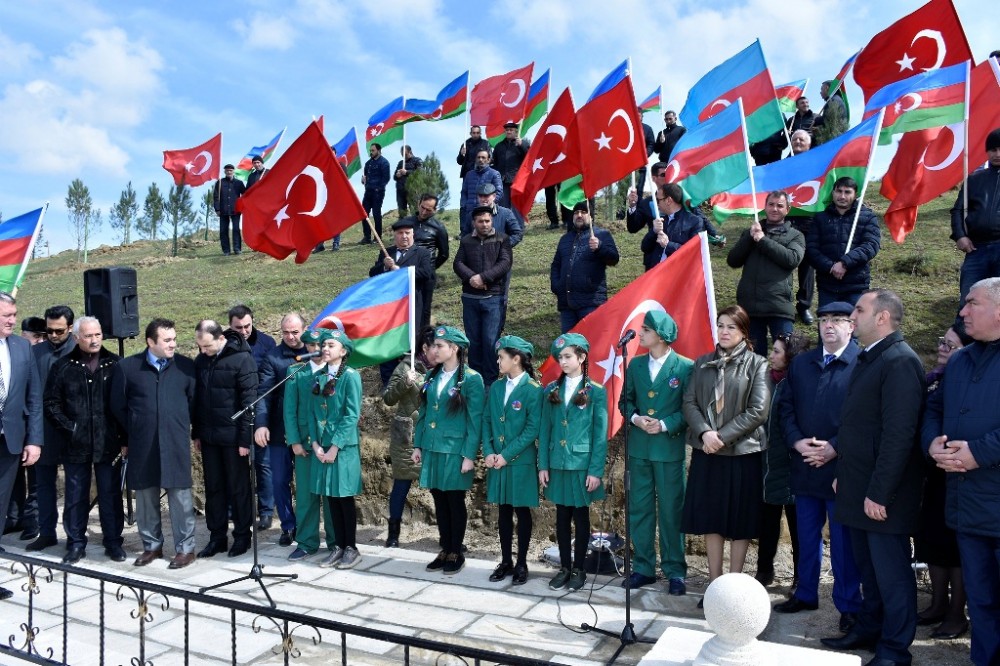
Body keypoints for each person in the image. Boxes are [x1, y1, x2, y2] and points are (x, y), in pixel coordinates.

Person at [820, 290, 925, 666]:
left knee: (892, 575)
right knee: (870, 571)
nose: (852, 316)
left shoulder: (899, 361)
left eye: (859, 310)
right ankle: (870, 629)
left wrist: (880, 493)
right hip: (857, 486)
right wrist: (844, 476)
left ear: (882, 317)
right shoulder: (872, 358)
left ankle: (895, 649)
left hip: (883, 497)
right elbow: (861, 427)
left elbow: (899, 436)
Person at [773, 302, 863, 634]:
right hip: (805, 465)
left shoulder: (862, 364)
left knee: (842, 543)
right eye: (824, 319)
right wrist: (797, 442)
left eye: (838, 320)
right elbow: (785, 408)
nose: (829, 326)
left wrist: (834, 447)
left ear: (851, 326)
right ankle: (806, 593)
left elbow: (864, 418)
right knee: (806, 537)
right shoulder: (802, 365)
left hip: (841, 469)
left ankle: (849, 605)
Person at [924, 278, 1000, 665]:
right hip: (969, 509)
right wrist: (932, 441)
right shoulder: (960, 361)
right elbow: (935, 409)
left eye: (972, 304)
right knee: (983, 602)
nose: (963, 311)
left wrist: (979, 453)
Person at [682, 305, 769, 603]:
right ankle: (714, 584)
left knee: (740, 519)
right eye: (721, 325)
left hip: (742, 453)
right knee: (712, 516)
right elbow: (689, 402)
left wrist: (722, 436)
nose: (724, 331)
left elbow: (758, 410)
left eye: (731, 326)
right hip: (708, 452)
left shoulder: (757, 364)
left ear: (744, 331)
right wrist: (706, 433)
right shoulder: (703, 362)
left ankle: (733, 586)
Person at [110, 318, 198, 570]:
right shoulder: (128, 368)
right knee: (146, 496)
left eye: (174, 339)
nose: (173, 344)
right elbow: (118, 406)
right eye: (167, 340)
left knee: (180, 497)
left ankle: (185, 549)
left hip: (175, 443)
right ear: (151, 342)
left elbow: (193, 404)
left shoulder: (186, 367)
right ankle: (152, 546)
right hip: (142, 444)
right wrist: (133, 431)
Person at [621, 311, 694, 594]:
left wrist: (664, 424)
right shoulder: (636, 365)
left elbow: (689, 408)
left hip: (668, 449)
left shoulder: (685, 367)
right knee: (639, 509)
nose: (640, 334)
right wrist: (636, 419)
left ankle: (675, 570)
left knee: (671, 511)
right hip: (639, 449)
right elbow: (624, 402)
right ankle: (643, 567)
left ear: (661, 336)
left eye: (646, 329)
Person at [43, 317, 125, 564]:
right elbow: (51, 403)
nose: (94, 340)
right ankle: (76, 543)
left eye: (98, 334)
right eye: (88, 336)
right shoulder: (63, 366)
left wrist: (122, 436)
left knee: (110, 495)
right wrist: (71, 428)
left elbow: (124, 404)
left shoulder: (116, 364)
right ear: (77, 337)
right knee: (76, 495)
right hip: (74, 445)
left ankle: (113, 542)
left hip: (108, 443)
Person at [412, 326, 485, 575]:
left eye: (439, 346)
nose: (434, 350)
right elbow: (423, 412)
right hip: (433, 447)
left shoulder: (472, 379)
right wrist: (418, 444)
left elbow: (475, 421)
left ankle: (456, 550)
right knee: (439, 500)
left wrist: (468, 455)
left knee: (455, 500)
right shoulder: (431, 376)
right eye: (433, 345)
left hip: (455, 450)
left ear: (454, 349)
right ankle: (444, 548)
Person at [539, 333, 607, 592]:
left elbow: (599, 435)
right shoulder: (551, 390)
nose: (563, 361)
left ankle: (579, 568)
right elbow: (545, 430)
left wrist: (595, 470)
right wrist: (543, 465)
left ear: (581, 357)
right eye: (560, 358)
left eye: (568, 356)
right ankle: (564, 567)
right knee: (561, 516)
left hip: (581, 465)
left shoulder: (596, 392)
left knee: (581, 517)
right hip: (558, 464)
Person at [913, 327, 967, 641]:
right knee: (931, 540)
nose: (943, 347)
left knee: (953, 547)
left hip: (959, 470)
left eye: (951, 343)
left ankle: (957, 613)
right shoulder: (932, 379)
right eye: (941, 342)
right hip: (931, 471)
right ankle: (937, 603)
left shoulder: (965, 382)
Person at [192, 320, 258, 559]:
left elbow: (249, 403)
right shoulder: (201, 361)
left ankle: (242, 537)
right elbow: (197, 401)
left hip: (233, 440)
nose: (203, 351)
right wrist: (197, 433)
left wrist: (244, 440)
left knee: (239, 489)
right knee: (214, 489)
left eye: (207, 346)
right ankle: (217, 537)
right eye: (199, 346)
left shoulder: (242, 360)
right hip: (209, 438)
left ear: (221, 339)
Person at [483, 336, 542, 586]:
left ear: (516, 359)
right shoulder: (496, 387)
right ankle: (506, 560)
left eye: (502, 357)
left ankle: (522, 563)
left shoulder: (532, 390)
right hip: (497, 460)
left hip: (519, 462)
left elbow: (532, 429)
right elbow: (487, 420)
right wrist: (488, 451)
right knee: (503, 511)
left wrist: (506, 455)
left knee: (522, 511)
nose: (498, 361)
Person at [755, 331, 808, 589]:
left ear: (791, 357)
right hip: (769, 465)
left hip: (794, 466)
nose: (771, 356)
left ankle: (801, 578)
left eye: (776, 351)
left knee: (799, 529)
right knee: (767, 524)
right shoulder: (766, 381)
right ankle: (764, 571)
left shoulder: (802, 384)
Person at [0, 292, 43, 602]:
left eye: (14, 315)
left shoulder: (21, 347)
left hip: (10, 440)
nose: (13, 320)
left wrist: (34, 439)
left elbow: (33, 397)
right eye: (6, 316)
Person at [308, 329, 363, 570]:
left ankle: (351, 547)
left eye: (331, 344)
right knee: (330, 497)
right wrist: (315, 444)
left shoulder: (350, 377)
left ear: (343, 350)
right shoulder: (319, 375)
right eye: (323, 344)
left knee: (344, 498)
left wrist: (334, 447)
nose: (325, 348)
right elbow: (312, 412)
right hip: (322, 447)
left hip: (342, 448)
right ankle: (337, 547)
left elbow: (351, 415)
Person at [254, 313, 309, 546]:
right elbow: (264, 395)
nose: (290, 336)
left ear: (304, 330)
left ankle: (307, 529)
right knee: (279, 481)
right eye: (285, 332)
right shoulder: (272, 358)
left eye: (295, 332)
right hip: (279, 431)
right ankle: (288, 526)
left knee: (307, 483)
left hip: (307, 431)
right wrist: (261, 424)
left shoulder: (314, 353)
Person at [727, 191, 806, 353]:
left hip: (779, 306)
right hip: (750, 306)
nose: (775, 209)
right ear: (764, 207)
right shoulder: (750, 232)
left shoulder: (796, 235)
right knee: (755, 360)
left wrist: (763, 240)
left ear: (787, 210)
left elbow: (792, 259)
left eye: (780, 206)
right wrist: (750, 237)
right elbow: (733, 261)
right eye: (771, 204)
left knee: (786, 356)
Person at [283, 330, 338, 561]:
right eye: (311, 345)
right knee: (306, 495)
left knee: (331, 494)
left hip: (328, 443)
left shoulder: (337, 372)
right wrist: (294, 440)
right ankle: (306, 541)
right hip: (305, 444)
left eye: (320, 344)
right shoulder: (295, 372)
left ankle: (336, 541)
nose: (316, 349)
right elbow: (289, 409)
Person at [26, 304, 76, 553]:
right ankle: (46, 532)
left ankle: (73, 536)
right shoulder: (35, 353)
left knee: (74, 487)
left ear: (70, 328)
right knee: (44, 485)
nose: (54, 336)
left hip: (72, 432)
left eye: (59, 331)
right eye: (49, 331)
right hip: (43, 431)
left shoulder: (80, 352)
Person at [381, 326, 435, 548]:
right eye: (436, 346)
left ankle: (449, 538)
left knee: (441, 489)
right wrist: (406, 382)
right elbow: (388, 398)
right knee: (402, 484)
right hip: (407, 436)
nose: (440, 351)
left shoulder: (445, 370)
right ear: (425, 347)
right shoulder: (406, 366)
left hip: (433, 435)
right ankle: (393, 534)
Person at [228, 304, 277, 530]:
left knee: (263, 463)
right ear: (230, 325)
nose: (244, 331)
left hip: (259, 410)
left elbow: (269, 380)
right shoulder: (224, 345)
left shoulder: (267, 344)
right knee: (235, 465)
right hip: (234, 412)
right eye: (239, 327)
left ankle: (266, 511)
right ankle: (236, 508)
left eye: (247, 325)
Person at [453, 206, 513, 387]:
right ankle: (475, 381)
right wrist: (471, 278)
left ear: (492, 221)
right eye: (481, 221)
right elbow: (458, 263)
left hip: (493, 298)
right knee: (474, 341)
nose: (484, 224)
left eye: (487, 221)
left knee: (490, 341)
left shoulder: (502, 239)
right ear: (474, 223)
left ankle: (491, 382)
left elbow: (505, 263)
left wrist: (483, 277)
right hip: (470, 299)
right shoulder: (466, 241)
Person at [949, 128, 1000, 332]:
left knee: (998, 300)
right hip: (975, 250)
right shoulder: (974, 179)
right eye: (993, 149)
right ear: (987, 152)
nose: (997, 154)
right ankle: (960, 344)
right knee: (968, 298)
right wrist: (960, 236)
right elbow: (958, 210)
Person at [805, 177, 881, 308]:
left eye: (847, 192)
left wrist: (845, 263)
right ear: (833, 193)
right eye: (839, 191)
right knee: (828, 327)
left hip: (856, 286)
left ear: (855, 194)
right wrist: (831, 267)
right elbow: (811, 249)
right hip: (827, 286)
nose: (842, 196)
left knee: (854, 327)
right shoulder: (820, 218)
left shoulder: (867, 217)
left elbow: (871, 245)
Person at [550, 201, 620, 332]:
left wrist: (600, 247)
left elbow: (614, 259)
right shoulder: (565, 239)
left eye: (583, 212)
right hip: (567, 305)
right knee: (569, 347)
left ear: (591, 216)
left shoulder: (602, 235)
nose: (579, 215)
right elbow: (556, 265)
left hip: (591, 303)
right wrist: (557, 286)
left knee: (591, 344)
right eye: (576, 213)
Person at [370, 218, 434, 330]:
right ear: (394, 235)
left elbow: (426, 273)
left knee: (413, 334)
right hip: (390, 302)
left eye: (407, 233)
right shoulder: (386, 253)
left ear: (413, 234)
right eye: (400, 233)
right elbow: (373, 274)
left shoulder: (422, 253)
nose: (404, 236)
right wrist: (384, 266)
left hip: (413, 301)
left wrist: (401, 271)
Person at [640, 183, 709, 272]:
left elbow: (693, 253)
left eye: (658, 200)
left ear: (668, 200)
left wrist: (668, 245)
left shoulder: (694, 222)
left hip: (677, 277)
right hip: (655, 274)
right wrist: (654, 231)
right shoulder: (660, 221)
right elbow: (644, 247)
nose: (656, 204)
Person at [787, 130, 816, 325]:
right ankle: (784, 305)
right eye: (795, 138)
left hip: (810, 222)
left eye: (802, 139)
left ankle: (804, 306)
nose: (798, 141)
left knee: (807, 268)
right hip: (786, 223)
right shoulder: (783, 165)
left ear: (809, 143)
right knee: (783, 265)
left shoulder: (817, 163)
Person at [409, 193, 450, 327]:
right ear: (418, 204)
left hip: (426, 276)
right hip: (405, 273)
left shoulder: (439, 228)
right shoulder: (407, 223)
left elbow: (444, 254)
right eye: (422, 207)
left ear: (435, 210)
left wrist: (430, 268)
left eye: (429, 209)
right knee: (406, 309)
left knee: (424, 309)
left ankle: (422, 342)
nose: (424, 212)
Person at [459, 150, 502, 237]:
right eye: (478, 157)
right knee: (468, 238)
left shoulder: (494, 174)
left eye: (483, 157)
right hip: (470, 211)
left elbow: (499, 192)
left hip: (486, 213)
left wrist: (488, 205)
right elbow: (464, 192)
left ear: (489, 160)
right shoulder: (469, 174)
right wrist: (464, 205)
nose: (480, 160)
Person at [491, 121, 530, 212]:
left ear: (516, 131)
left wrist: (522, 145)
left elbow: (530, 158)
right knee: (503, 207)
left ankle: (518, 226)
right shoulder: (499, 146)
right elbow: (494, 163)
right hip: (502, 181)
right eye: (507, 130)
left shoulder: (522, 144)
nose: (508, 132)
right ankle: (505, 225)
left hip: (517, 180)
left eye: (511, 130)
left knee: (517, 207)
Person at [360, 143, 391, 244]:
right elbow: (365, 177)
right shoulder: (368, 163)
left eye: (373, 150)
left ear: (378, 150)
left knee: (376, 214)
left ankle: (377, 237)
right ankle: (367, 237)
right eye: (370, 151)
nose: (371, 152)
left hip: (378, 193)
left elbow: (386, 178)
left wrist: (378, 189)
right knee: (363, 213)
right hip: (368, 191)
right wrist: (363, 180)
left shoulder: (384, 162)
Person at [214, 164, 246, 255]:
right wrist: (217, 209)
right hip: (223, 210)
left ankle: (237, 249)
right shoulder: (220, 182)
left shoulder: (239, 183)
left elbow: (245, 194)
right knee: (223, 231)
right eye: (227, 170)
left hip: (235, 210)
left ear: (233, 171)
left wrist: (243, 206)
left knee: (236, 229)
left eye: (230, 170)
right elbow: (216, 197)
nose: (229, 172)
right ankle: (226, 251)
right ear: (224, 171)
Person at [813, 81, 848, 145]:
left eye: (821, 89)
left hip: (833, 140)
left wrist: (815, 121)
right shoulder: (837, 99)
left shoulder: (832, 101)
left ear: (827, 88)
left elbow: (828, 121)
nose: (820, 92)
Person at [393, 145, 422, 218]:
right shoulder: (400, 163)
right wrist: (397, 175)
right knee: (402, 212)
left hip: (412, 190)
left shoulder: (417, 160)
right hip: (400, 191)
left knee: (415, 211)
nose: (403, 156)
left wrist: (406, 172)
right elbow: (394, 177)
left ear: (410, 152)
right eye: (402, 155)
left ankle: (418, 227)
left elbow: (420, 172)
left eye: (405, 154)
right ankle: (403, 228)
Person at [635, 107, 656, 198]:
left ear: (642, 116)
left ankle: (638, 210)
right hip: (626, 165)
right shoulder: (625, 127)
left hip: (641, 164)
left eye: (639, 115)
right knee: (623, 190)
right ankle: (622, 211)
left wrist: (644, 155)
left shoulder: (647, 129)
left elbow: (651, 144)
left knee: (639, 188)